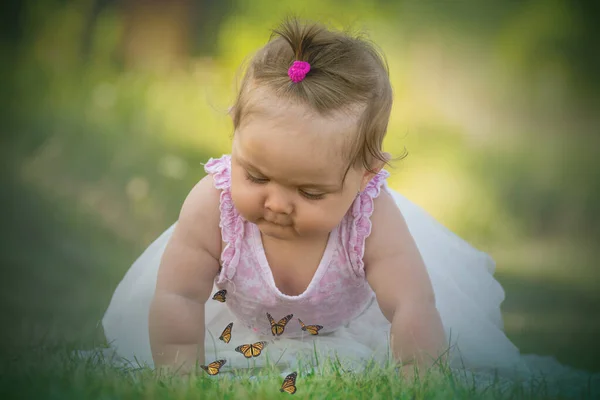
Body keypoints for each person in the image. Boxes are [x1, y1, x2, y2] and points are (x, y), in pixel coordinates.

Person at [101, 17, 596, 394]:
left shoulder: (370, 219)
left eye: (310, 192)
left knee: (428, 354)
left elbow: (410, 304)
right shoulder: (215, 205)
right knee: (208, 355)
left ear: (364, 178)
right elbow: (179, 297)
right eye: (256, 175)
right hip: (235, 321)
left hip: (347, 322)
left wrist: (416, 380)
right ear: (234, 138)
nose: (276, 203)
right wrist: (175, 377)